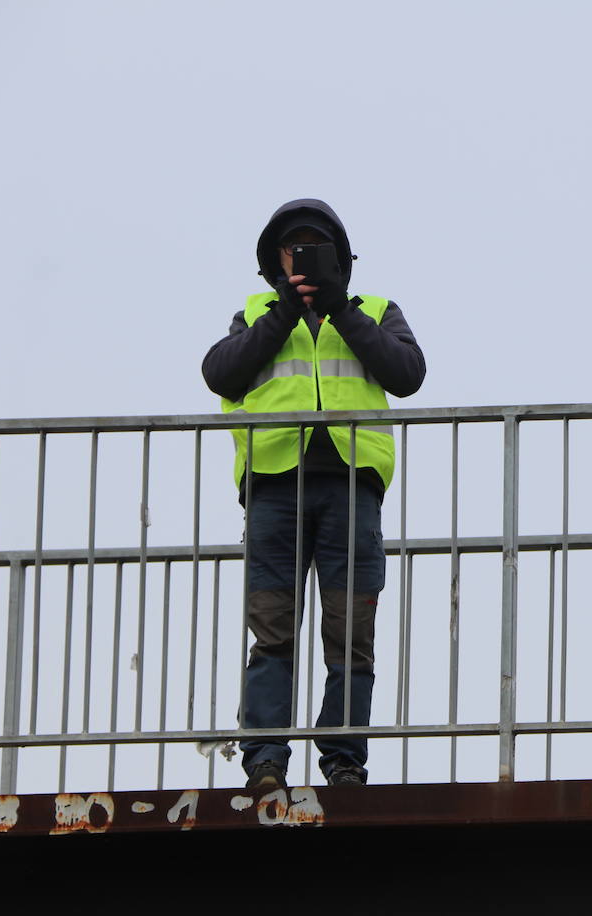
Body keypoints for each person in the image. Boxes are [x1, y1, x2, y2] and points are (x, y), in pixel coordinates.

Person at [202, 199, 426, 788]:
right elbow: (219, 372)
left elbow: (407, 372)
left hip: (351, 489)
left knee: (351, 634)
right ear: (274, 260)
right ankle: (265, 760)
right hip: (276, 489)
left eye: (314, 247)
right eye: (292, 247)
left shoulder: (372, 311)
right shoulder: (255, 314)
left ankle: (344, 761)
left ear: (340, 259)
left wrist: (337, 309)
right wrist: (283, 313)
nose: (302, 256)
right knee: (272, 631)